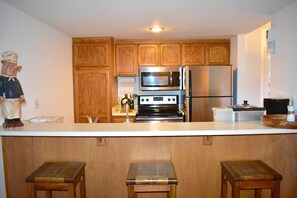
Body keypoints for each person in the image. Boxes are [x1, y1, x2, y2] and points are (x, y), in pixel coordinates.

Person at [0, 51, 25, 128]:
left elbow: (19, 87)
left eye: (14, 70)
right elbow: (0, 87)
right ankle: (9, 120)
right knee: (9, 110)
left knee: (17, 110)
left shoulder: (16, 80)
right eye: (10, 69)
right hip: (8, 100)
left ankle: (17, 119)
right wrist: (1, 95)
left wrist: (22, 96)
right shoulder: (2, 79)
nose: (13, 71)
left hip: (16, 99)